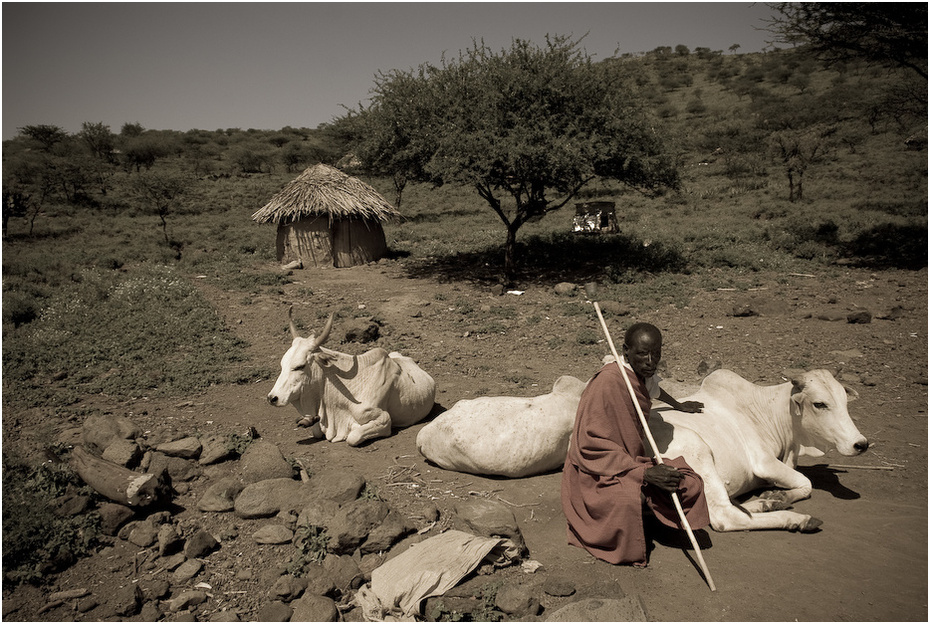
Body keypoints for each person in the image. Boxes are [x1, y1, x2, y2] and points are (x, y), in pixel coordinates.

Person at [561, 321, 710, 566]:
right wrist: (644, 473)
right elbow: (589, 446)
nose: (650, 361)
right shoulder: (607, 382)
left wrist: (679, 405)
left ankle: (649, 517)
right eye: (642, 353)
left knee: (687, 481)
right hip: (598, 471)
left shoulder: (642, 375)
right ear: (626, 351)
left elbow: (655, 390)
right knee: (627, 500)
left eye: (656, 354)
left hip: (630, 463)